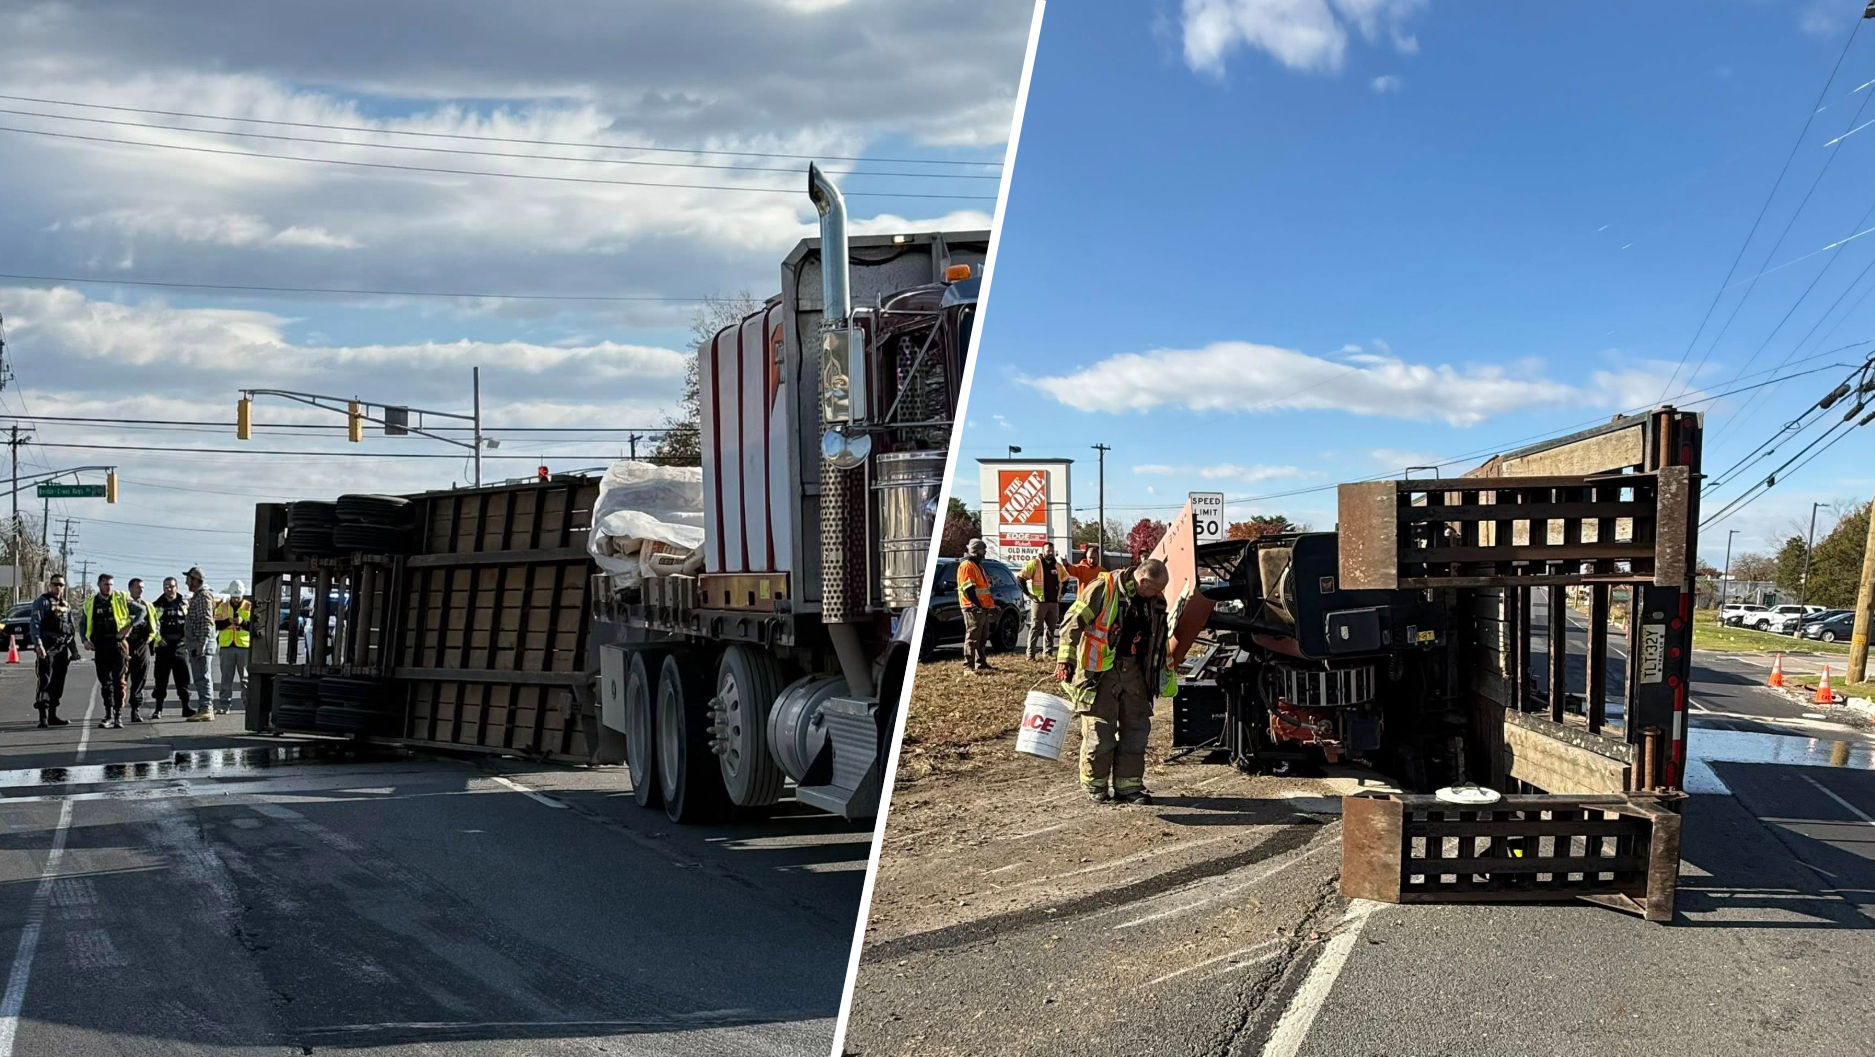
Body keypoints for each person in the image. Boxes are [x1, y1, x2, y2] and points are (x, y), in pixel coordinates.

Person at [1055, 558, 1177, 805]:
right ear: (1142, 581)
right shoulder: (1104, 588)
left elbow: (1159, 640)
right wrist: (1065, 660)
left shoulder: (1155, 601)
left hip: (1136, 673)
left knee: (1136, 731)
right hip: (1101, 673)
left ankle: (1129, 787)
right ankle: (1096, 786)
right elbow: (1071, 623)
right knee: (1101, 733)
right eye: (1155, 589)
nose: (1159, 594)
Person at [84, 573, 144, 729]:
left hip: (118, 645)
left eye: (111, 584)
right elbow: (83, 621)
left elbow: (142, 611)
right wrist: (85, 640)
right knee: (105, 683)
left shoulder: (120, 598)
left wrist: (129, 627)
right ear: (99, 584)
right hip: (100, 646)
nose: (108, 587)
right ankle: (108, 714)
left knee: (119, 681)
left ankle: (118, 715)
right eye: (105, 584)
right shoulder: (91, 602)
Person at [26, 574, 77, 728]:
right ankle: (43, 717)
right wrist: (38, 644)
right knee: (45, 681)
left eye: (61, 585)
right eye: (55, 584)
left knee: (58, 682)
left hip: (62, 647)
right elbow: (35, 624)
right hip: (47, 647)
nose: (58, 588)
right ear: (50, 585)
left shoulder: (65, 605)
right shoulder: (42, 602)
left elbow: (70, 629)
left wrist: (73, 650)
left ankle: (53, 715)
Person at [149, 576, 192, 719]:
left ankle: (186, 707)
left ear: (177, 587)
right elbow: (153, 625)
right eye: (166, 586)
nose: (169, 589)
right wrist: (158, 639)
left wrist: (188, 639)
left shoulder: (185, 604)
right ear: (163, 588)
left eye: (172, 586)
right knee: (161, 680)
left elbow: (190, 623)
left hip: (180, 647)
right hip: (163, 647)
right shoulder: (156, 605)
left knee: (183, 680)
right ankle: (158, 709)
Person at [1017, 542, 1065, 661]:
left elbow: (1066, 580)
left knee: (1051, 628)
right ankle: (1030, 655)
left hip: (1053, 602)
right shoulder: (1035, 564)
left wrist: (1061, 594)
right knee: (1035, 628)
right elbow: (1020, 578)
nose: (1050, 553)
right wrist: (1029, 594)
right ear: (1043, 551)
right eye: (1048, 551)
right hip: (1039, 602)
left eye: (1052, 551)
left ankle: (1048, 653)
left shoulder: (1057, 566)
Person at [956, 538, 996, 673]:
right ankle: (968, 666)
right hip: (972, 607)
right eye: (982, 549)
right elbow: (968, 589)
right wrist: (977, 605)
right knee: (972, 637)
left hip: (982, 607)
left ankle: (981, 662)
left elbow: (983, 588)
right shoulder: (967, 565)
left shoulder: (977, 565)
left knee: (982, 636)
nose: (984, 552)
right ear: (975, 550)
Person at [184, 567, 217, 722]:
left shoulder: (203, 597)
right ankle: (204, 707)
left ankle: (206, 708)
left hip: (201, 644)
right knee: (200, 677)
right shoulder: (199, 596)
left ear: (196, 580)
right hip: (197, 643)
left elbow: (206, 621)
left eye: (189, 578)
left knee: (203, 676)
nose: (186, 582)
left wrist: (202, 644)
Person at [215, 579, 252, 713]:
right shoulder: (223, 607)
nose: (236, 599)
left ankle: (248, 705)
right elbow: (217, 624)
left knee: (246, 679)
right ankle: (224, 706)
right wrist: (228, 621)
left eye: (238, 597)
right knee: (226, 678)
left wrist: (242, 622)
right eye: (234, 597)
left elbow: (254, 627)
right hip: (226, 646)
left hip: (244, 646)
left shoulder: (249, 606)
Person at [123, 578, 154, 723]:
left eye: (142, 588)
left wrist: (150, 639)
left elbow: (155, 626)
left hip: (142, 645)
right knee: (120, 679)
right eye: (137, 587)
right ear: (130, 588)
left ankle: (135, 709)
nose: (140, 590)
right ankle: (114, 711)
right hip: (125, 646)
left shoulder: (147, 606)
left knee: (140, 679)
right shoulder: (122, 605)